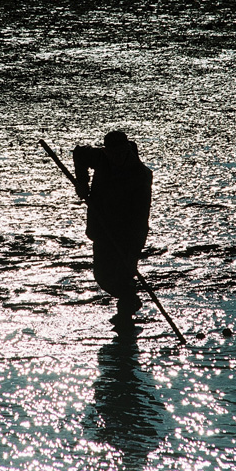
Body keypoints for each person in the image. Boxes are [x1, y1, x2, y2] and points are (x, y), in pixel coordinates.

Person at [72, 131, 153, 329]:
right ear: (106, 151)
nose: (115, 158)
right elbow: (79, 154)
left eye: (119, 153)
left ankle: (125, 320)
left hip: (128, 233)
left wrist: (133, 251)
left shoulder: (140, 176)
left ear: (126, 150)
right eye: (111, 153)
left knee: (124, 274)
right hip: (102, 228)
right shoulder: (100, 157)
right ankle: (129, 300)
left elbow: (141, 218)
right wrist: (82, 182)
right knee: (102, 276)